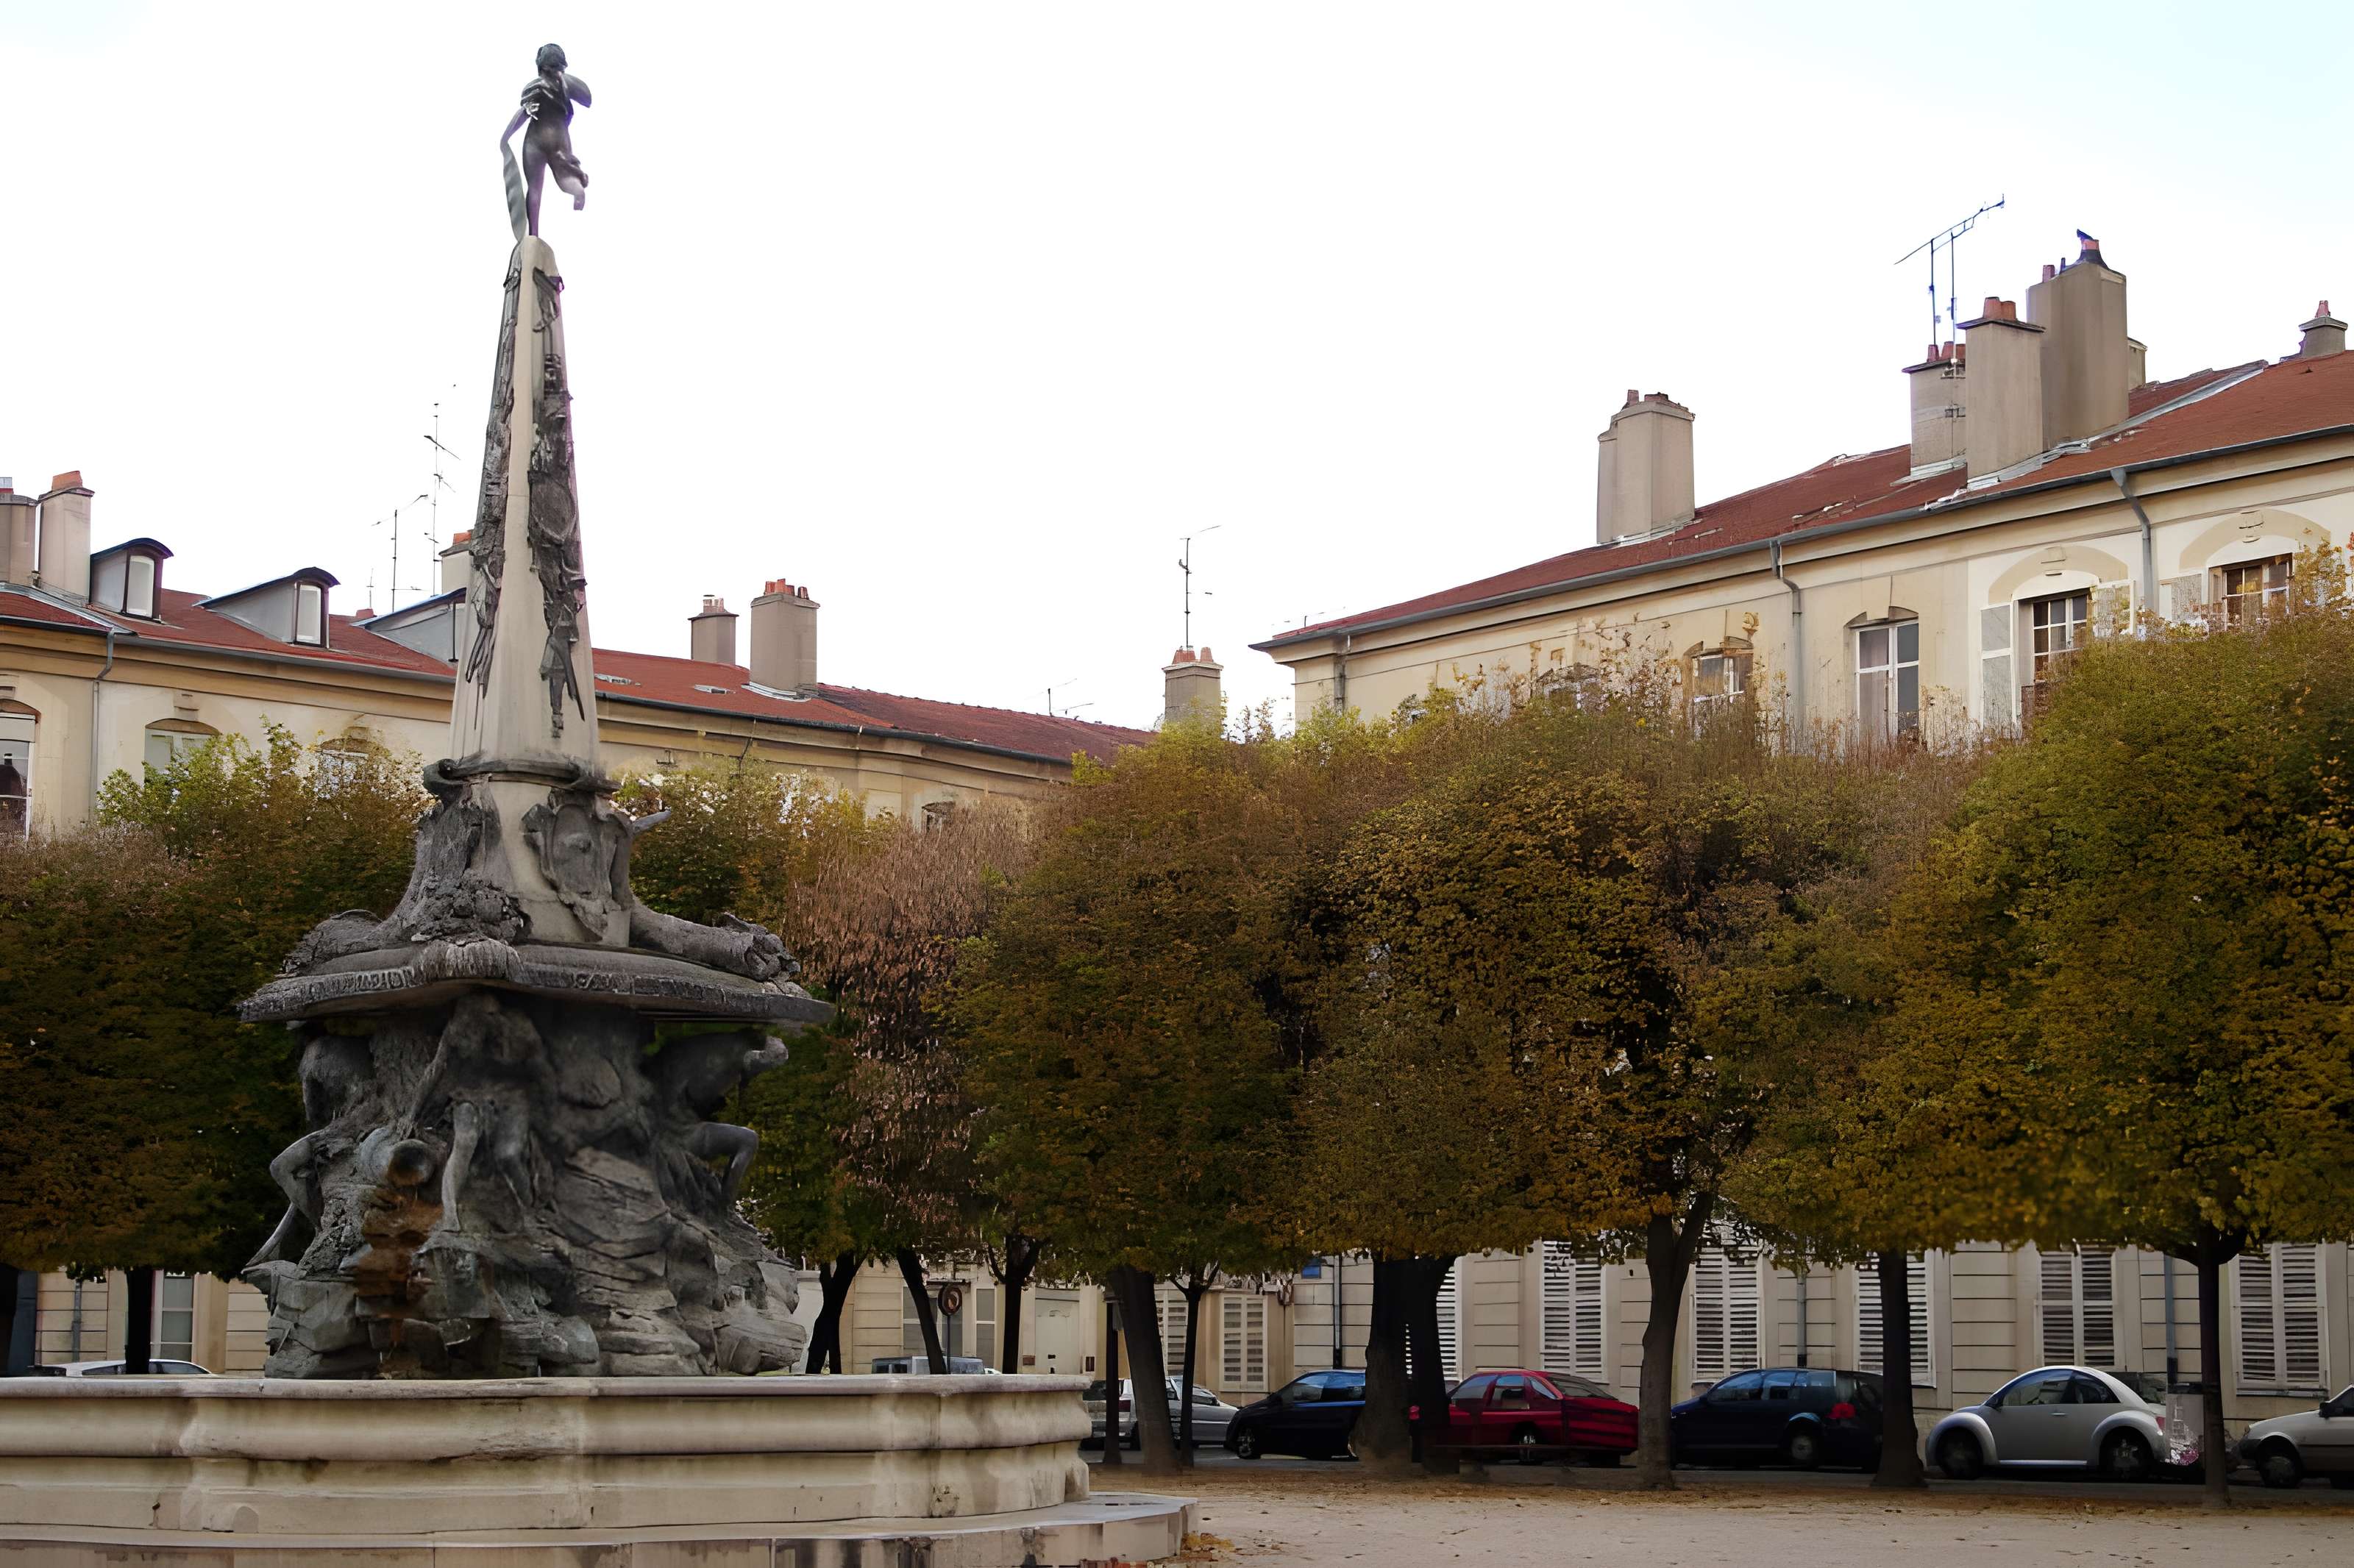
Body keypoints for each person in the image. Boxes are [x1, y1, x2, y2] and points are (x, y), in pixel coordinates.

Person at [500, 43, 591, 237]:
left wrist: (506, 137)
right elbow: (587, 99)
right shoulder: (559, 85)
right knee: (553, 178)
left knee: (536, 188)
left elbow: (524, 111)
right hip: (551, 139)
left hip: (539, 140)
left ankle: (534, 235)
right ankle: (533, 236)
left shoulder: (551, 85)